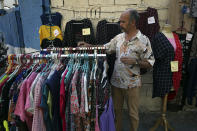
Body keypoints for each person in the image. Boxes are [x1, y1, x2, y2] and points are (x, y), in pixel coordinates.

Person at [78, 9, 155, 131]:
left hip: (132, 85)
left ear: (133, 22)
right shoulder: (119, 38)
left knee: (133, 114)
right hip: (116, 83)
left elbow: (150, 63)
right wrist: (90, 46)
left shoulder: (143, 40)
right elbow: (106, 48)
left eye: (123, 22)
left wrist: (135, 62)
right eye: (120, 21)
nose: (120, 24)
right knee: (116, 112)